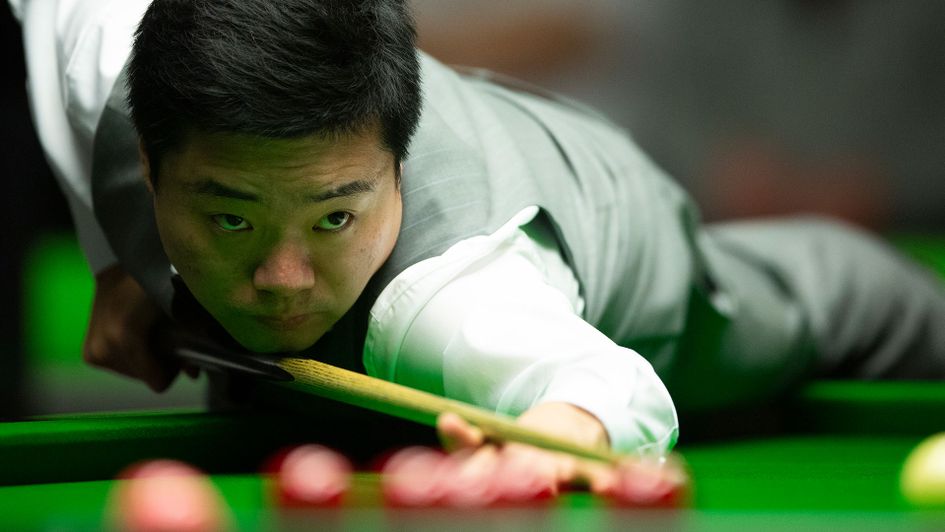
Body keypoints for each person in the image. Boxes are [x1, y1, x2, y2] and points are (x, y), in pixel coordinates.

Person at [12, 0, 945, 493]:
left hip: (615, 226)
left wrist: (559, 434)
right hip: (464, 121)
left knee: (806, 300)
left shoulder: (456, 296)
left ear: (396, 168)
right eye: (230, 220)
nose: (282, 279)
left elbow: (603, 388)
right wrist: (116, 254)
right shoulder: (109, 62)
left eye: (334, 219)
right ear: (149, 158)